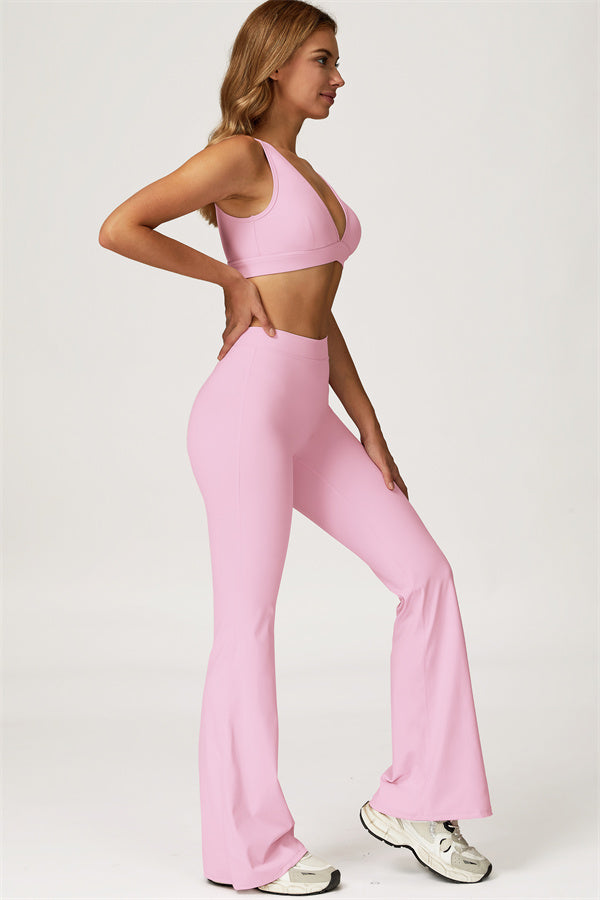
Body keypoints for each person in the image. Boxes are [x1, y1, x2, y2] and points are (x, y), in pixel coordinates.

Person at [98, 0, 494, 894]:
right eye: (323, 59)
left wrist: (369, 424)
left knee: (426, 576)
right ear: (276, 64)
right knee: (247, 623)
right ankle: (249, 851)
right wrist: (228, 279)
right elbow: (121, 225)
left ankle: (416, 800)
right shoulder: (240, 158)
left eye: (337, 60)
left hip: (309, 414)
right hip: (245, 414)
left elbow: (317, 310)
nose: (338, 77)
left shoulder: (306, 173)